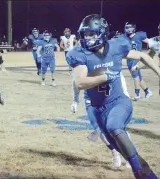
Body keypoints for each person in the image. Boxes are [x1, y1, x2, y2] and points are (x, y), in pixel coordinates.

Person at [66, 14, 159, 179]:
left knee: (114, 126)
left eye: (91, 34)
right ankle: (148, 175)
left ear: (102, 32)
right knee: (120, 147)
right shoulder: (79, 54)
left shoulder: (117, 45)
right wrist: (104, 77)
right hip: (97, 109)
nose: (87, 38)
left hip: (118, 102)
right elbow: (80, 83)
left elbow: (143, 56)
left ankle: (140, 174)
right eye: (85, 34)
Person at [123, 22, 152, 100]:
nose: (128, 29)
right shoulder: (124, 37)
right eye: (127, 27)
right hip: (129, 60)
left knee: (135, 76)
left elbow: (150, 42)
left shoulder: (139, 35)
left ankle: (137, 93)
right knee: (138, 77)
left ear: (133, 28)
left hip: (136, 59)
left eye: (129, 27)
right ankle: (147, 91)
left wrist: (153, 46)